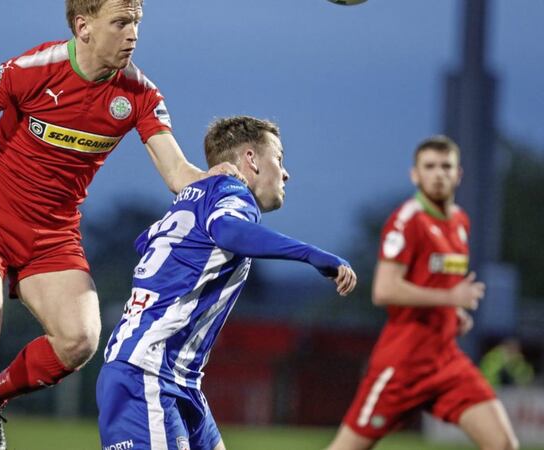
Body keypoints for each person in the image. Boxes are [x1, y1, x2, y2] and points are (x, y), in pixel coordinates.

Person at [0, 1, 241, 449]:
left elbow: (176, 173)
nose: (133, 35)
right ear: (83, 26)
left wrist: (211, 179)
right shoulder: (35, 68)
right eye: (121, 23)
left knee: (80, 340)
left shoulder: (140, 95)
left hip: (53, 234)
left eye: (137, 24)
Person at [96, 116, 357, 450]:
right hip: (147, 374)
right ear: (250, 159)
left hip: (177, 379)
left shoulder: (196, 195)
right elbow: (227, 230)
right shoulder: (231, 192)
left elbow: (145, 241)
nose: (285, 172)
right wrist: (311, 255)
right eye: (278, 159)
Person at [327, 136, 519, 450]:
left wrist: (452, 314)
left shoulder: (459, 221)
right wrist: (450, 300)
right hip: (402, 364)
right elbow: (384, 289)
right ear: (415, 175)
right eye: (429, 166)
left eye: (446, 166)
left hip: (446, 360)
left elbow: (434, 282)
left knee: (503, 444)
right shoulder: (407, 221)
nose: (439, 173)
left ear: (459, 174)